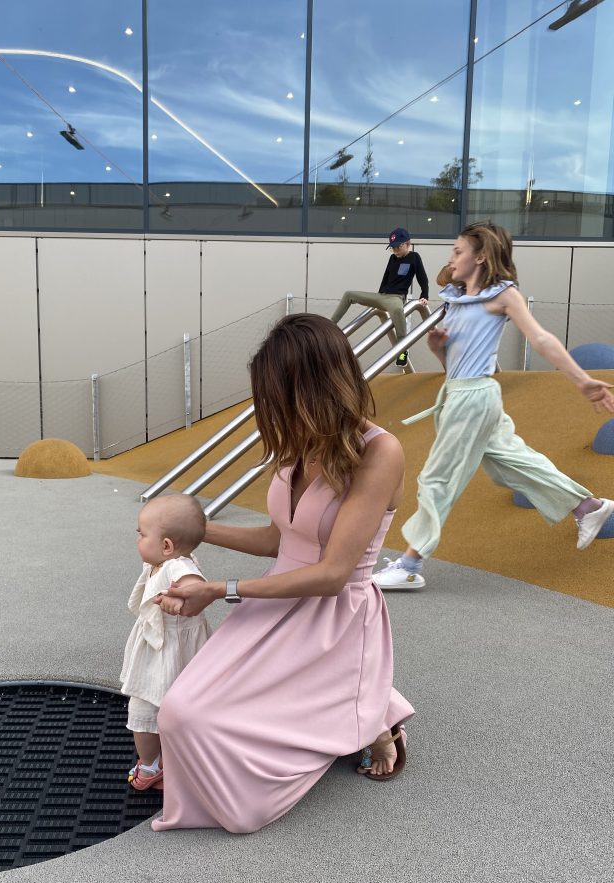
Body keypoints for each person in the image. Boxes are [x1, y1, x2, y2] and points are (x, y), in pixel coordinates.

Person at [149, 313, 414, 834]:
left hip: (334, 617)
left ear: (313, 389)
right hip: (275, 599)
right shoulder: (298, 444)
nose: (267, 410)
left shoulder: (379, 452)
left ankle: (370, 720)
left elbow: (333, 573)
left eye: (276, 396)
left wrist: (218, 591)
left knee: (208, 730)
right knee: (180, 714)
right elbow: (279, 539)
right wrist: (191, 532)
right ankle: (362, 711)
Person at [373, 221, 614, 592]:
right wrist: (440, 350)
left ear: (481, 256)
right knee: (513, 463)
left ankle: (409, 565)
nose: (451, 258)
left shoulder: (504, 295)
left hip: (475, 398)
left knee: (437, 478)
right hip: (462, 393)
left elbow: (542, 338)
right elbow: (454, 364)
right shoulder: (455, 299)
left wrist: (582, 380)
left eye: (458, 251)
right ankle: (589, 507)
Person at [119, 494, 210, 791]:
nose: (137, 538)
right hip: (162, 647)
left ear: (167, 545)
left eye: (142, 534)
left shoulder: (176, 565)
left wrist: (179, 595)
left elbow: (195, 583)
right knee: (166, 708)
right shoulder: (160, 562)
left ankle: (150, 765)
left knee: (144, 709)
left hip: (168, 651)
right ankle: (167, 763)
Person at [330, 226, 430, 366]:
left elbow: (422, 278)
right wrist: (377, 298)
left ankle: (402, 349)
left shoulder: (414, 257)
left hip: (396, 298)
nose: (395, 251)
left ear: (407, 243)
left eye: (397, 247)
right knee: (348, 294)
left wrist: (424, 295)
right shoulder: (392, 258)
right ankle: (330, 324)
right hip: (383, 295)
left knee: (397, 310)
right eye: (392, 248)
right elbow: (385, 278)